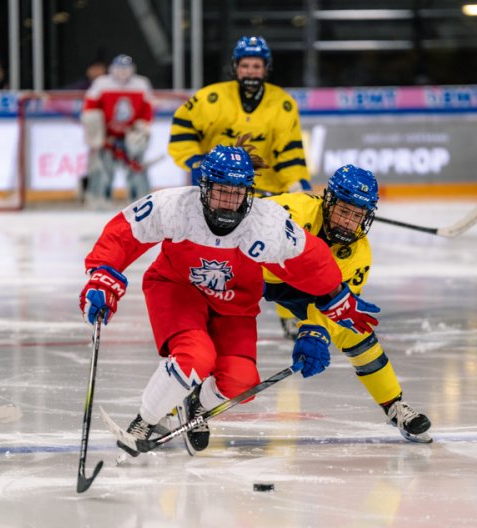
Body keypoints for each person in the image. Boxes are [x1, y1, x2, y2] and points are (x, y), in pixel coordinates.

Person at [79, 145, 381, 457]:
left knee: (240, 383)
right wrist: (103, 275)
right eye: (221, 191)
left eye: (236, 193)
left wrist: (337, 297)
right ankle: (146, 422)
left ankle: (196, 404)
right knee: (195, 356)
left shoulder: (266, 222)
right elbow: (125, 232)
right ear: (204, 186)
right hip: (179, 289)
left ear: (248, 192)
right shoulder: (175, 206)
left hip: (235, 302)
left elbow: (310, 258)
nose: (228, 201)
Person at [263, 164, 432, 443]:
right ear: (327, 200)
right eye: (344, 210)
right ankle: (186, 396)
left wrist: (315, 330)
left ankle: (393, 405)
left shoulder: (358, 253)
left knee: (354, 328)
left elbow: (336, 306)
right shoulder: (292, 211)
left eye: (357, 215)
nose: (348, 222)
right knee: (219, 327)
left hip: (300, 287)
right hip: (253, 273)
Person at [168, 36, 310, 196]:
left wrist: (296, 181)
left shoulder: (283, 103)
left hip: (265, 192)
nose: (250, 71)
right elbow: (183, 129)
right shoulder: (210, 98)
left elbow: (289, 151)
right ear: (236, 67)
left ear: (266, 68)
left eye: (256, 66)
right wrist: (196, 161)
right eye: (245, 65)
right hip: (218, 189)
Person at [80, 54, 154, 208]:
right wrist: (99, 135)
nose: (122, 72)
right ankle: (98, 200)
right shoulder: (101, 83)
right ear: (112, 69)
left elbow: (147, 110)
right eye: (119, 69)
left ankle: (142, 202)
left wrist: (141, 129)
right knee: (102, 169)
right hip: (108, 137)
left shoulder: (141, 84)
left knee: (136, 169)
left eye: (126, 69)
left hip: (131, 135)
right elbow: (90, 108)